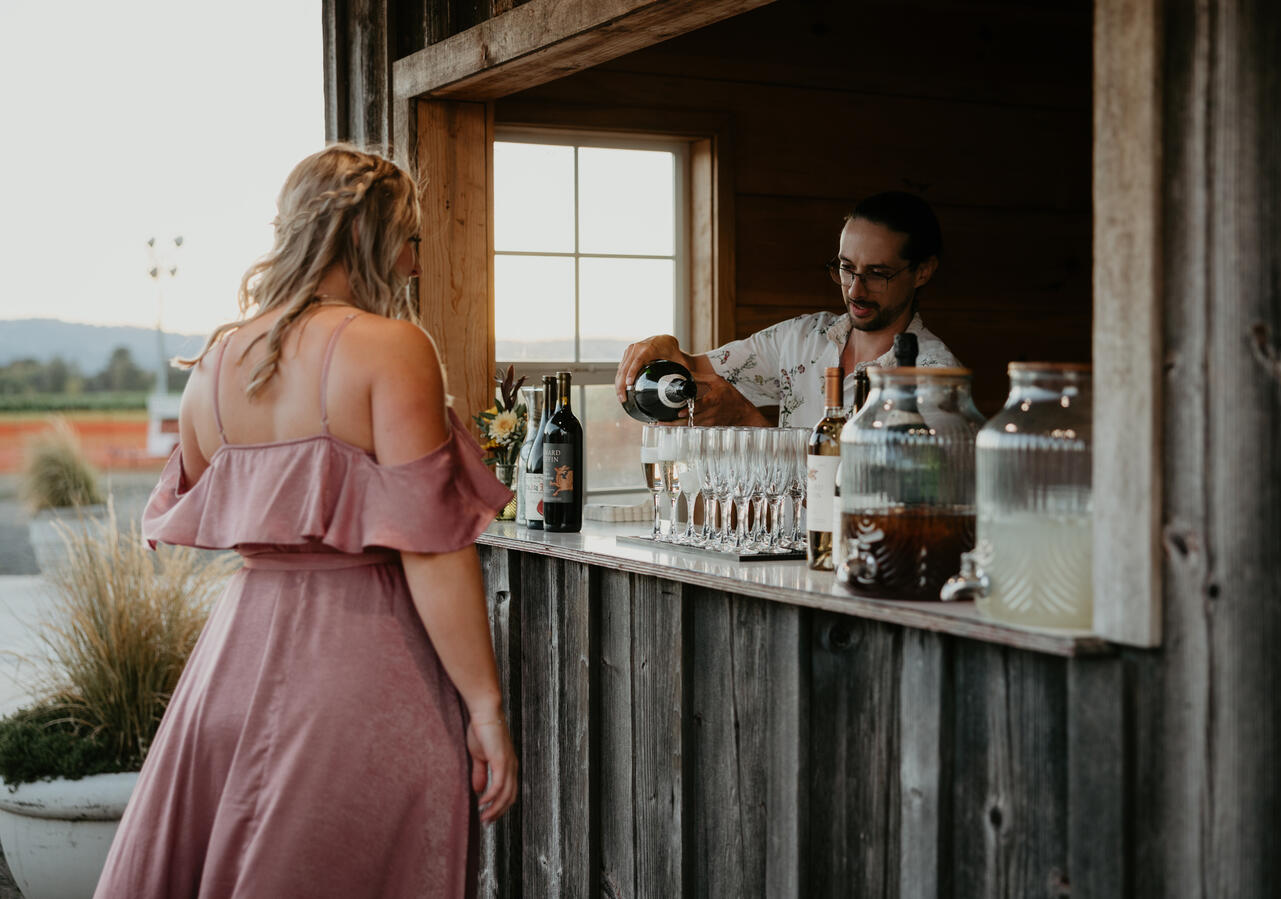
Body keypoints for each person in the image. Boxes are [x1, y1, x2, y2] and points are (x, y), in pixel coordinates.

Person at [95, 145, 519, 898]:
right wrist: (485, 705)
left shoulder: (214, 367)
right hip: (358, 673)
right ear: (366, 234)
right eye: (410, 238)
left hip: (228, 666)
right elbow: (430, 549)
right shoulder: (392, 349)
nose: (415, 263)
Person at [615, 191, 960, 427]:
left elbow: (868, 497)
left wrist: (747, 420)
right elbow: (693, 373)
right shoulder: (800, 338)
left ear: (923, 271)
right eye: (846, 267)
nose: (855, 289)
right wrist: (664, 346)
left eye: (878, 274)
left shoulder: (938, 381)